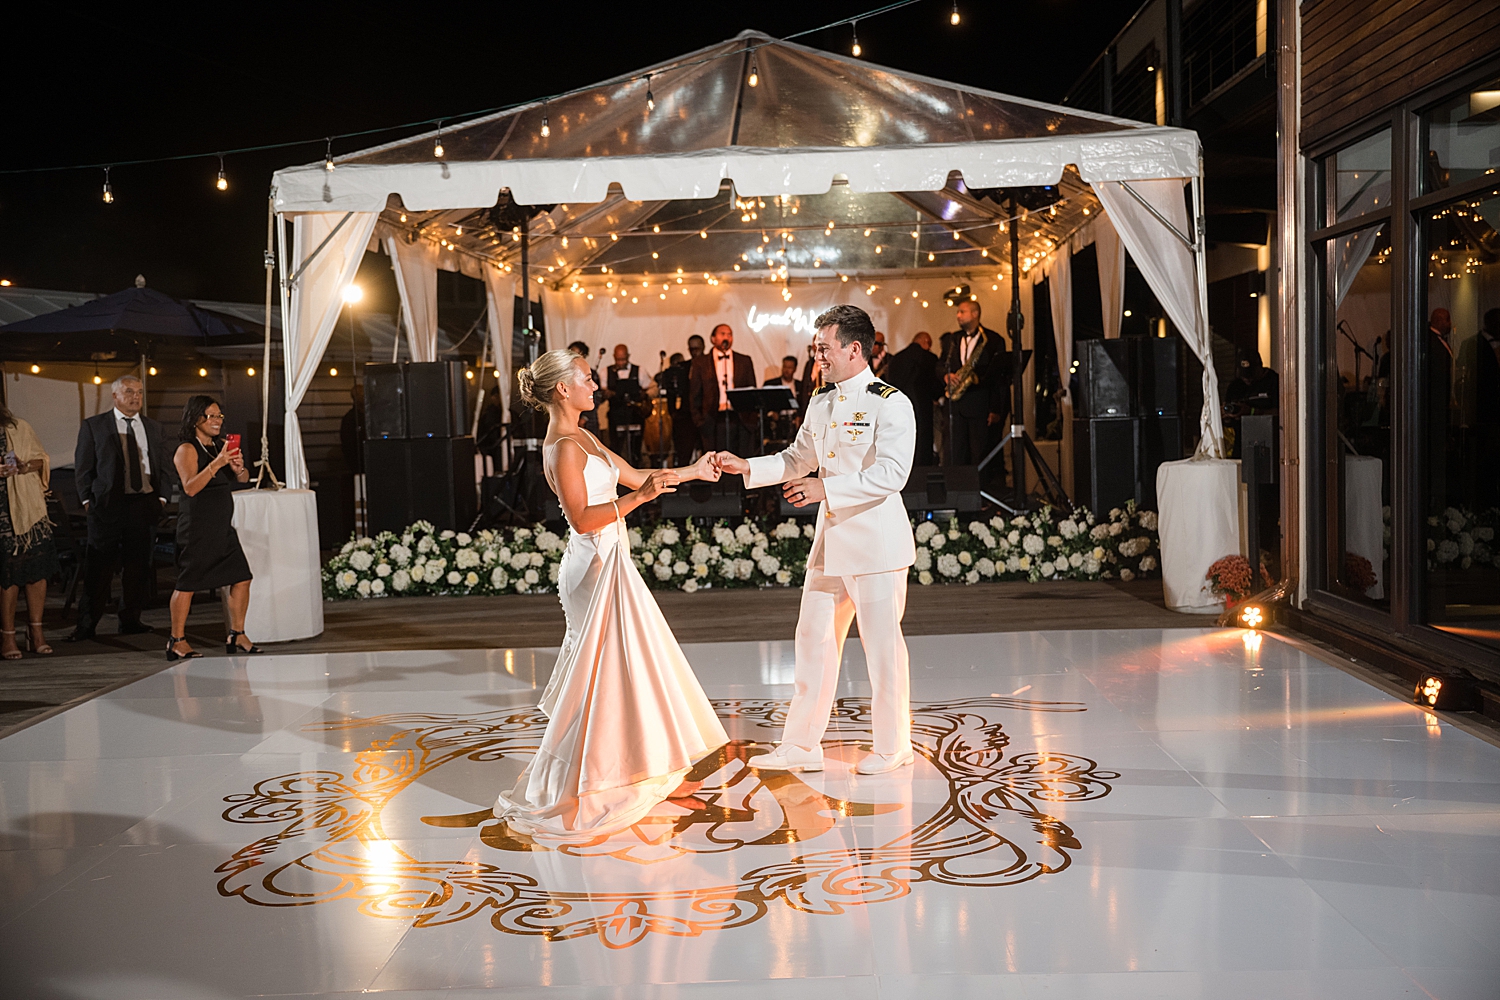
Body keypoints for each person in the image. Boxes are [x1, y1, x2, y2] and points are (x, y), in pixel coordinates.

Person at [493, 349, 728, 841]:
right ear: (563, 389)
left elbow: (638, 476)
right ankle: (596, 779)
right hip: (592, 568)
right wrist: (638, 501)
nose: (596, 385)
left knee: (627, 670)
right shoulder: (562, 445)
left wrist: (692, 471)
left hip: (610, 560)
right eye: (587, 379)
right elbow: (582, 518)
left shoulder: (584, 436)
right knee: (600, 678)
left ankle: (642, 769)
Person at [713, 304, 917, 776]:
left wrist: (826, 488)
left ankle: (893, 745)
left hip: (876, 545)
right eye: (816, 347)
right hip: (830, 543)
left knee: (883, 649)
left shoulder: (891, 402)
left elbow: (893, 473)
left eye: (824, 347)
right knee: (813, 642)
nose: (817, 355)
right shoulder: (822, 401)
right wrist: (749, 467)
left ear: (854, 348)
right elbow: (797, 457)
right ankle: (802, 745)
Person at [71, 375, 174, 641]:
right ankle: (86, 625)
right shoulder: (95, 426)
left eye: (139, 392)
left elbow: (163, 466)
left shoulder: (153, 427)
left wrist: (162, 498)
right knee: (99, 567)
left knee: (138, 566)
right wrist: (87, 501)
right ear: (115, 395)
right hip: (107, 506)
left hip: (144, 503)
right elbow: (83, 468)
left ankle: (130, 619)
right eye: (129, 391)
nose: (136, 397)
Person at [167, 396, 257, 661]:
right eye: (212, 416)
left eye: (220, 416)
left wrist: (239, 469)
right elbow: (190, 487)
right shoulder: (187, 449)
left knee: (242, 576)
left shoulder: (219, 447)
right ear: (196, 419)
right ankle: (177, 639)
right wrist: (217, 463)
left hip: (221, 527)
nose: (218, 421)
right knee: (188, 583)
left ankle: (237, 633)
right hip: (197, 528)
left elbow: (241, 480)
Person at [0, 402, 61, 659]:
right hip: (3, 510)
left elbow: (41, 459)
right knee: (8, 573)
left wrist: (25, 467)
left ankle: (36, 632)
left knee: (37, 570)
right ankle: (8, 636)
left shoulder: (18, 427)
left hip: (28, 508)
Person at [940, 300, 1011, 466]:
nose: (958, 315)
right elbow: (940, 364)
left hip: (980, 405)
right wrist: (946, 375)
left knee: (979, 452)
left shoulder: (993, 340)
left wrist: (995, 409)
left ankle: (980, 488)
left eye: (962, 312)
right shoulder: (953, 339)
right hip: (955, 407)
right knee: (955, 452)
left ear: (975, 314)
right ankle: (957, 489)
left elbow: (998, 378)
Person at [689, 323, 755, 454]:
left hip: (739, 417)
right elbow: (694, 393)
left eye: (730, 335)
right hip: (712, 418)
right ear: (713, 338)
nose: (727, 337)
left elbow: (751, 389)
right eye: (722, 334)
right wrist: (699, 420)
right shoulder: (701, 363)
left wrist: (752, 418)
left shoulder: (744, 361)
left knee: (739, 456)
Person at [884, 331, 944, 467]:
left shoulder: (896, 359)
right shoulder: (928, 357)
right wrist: (938, 396)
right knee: (922, 443)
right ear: (926, 342)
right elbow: (934, 383)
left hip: (898, 407)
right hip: (921, 407)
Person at [602, 343, 653, 460]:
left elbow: (649, 387)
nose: (620, 363)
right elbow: (604, 391)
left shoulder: (640, 370)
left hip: (636, 414)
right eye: (618, 359)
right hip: (616, 415)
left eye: (623, 359)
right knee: (616, 447)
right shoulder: (606, 371)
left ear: (628, 356)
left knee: (636, 447)